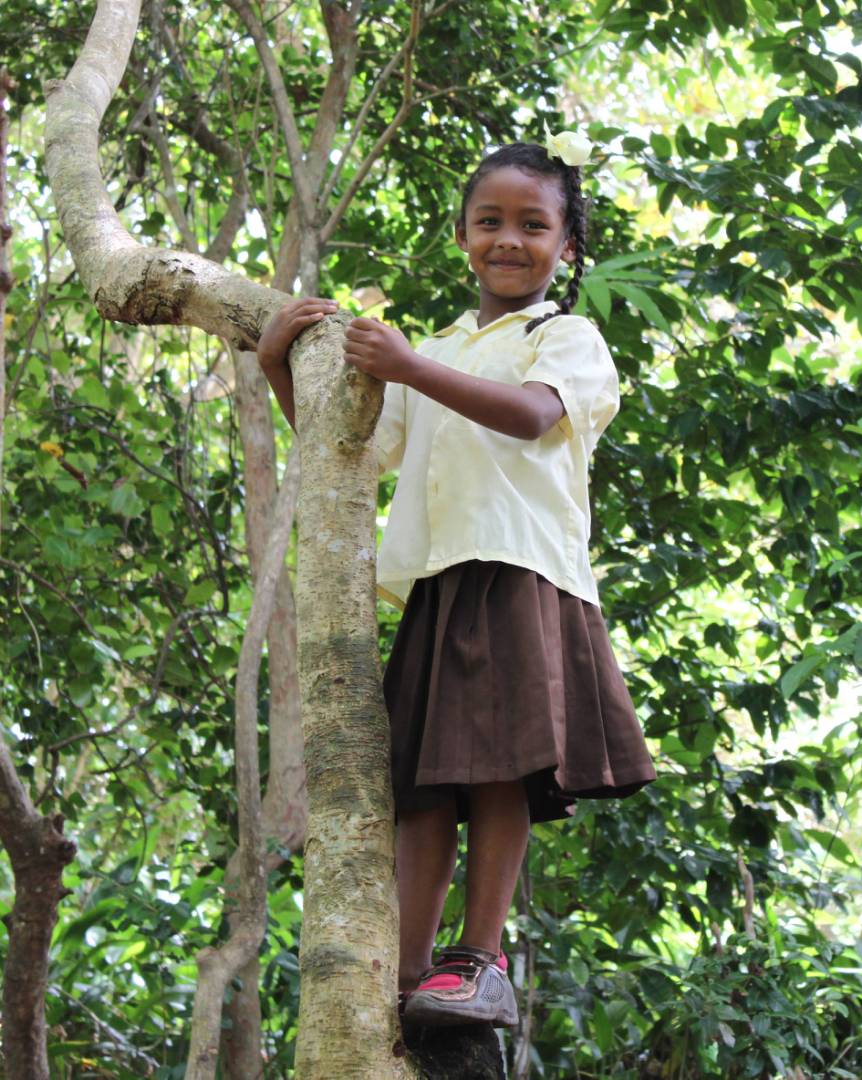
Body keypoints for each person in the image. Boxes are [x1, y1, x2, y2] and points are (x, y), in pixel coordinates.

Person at [256, 134, 655, 1029]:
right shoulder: (432, 346)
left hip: (521, 572)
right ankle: (405, 976)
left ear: (567, 247)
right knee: (428, 779)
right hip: (440, 583)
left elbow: (531, 416)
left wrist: (406, 367)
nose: (508, 240)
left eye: (533, 224)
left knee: (500, 771)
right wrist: (277, 364)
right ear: (462, 234)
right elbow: (352, 454)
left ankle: (478, 956)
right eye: (489, 222)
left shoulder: (568, 337)